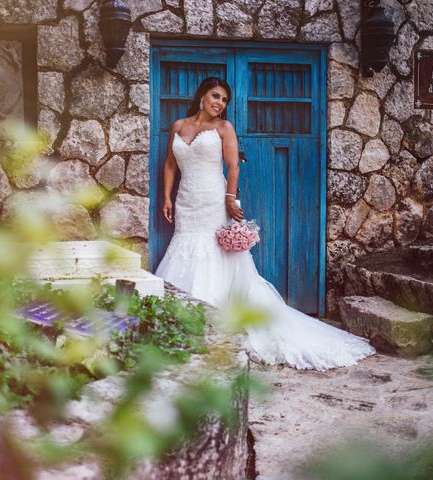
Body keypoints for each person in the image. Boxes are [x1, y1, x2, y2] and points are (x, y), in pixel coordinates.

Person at [155, 77, 375, 371]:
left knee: (215, 253)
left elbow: (233, 166)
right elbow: (170, 164)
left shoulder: (224, 128)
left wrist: (230, 198)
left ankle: (219, 320)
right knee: (185, 245)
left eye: (224, 101)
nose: (219, 103)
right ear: (202, 96)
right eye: (215, 96)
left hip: (213, 200)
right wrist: (166, 197)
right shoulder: (179, 126)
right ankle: (181, 319)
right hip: (186, 202)